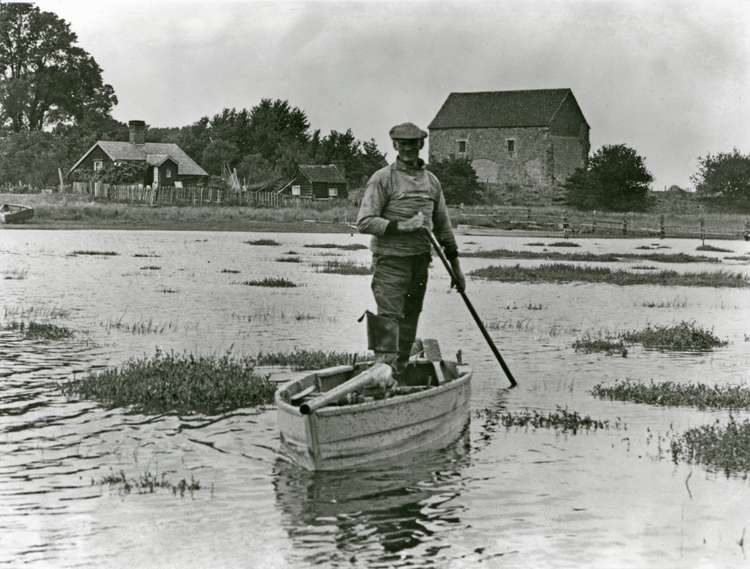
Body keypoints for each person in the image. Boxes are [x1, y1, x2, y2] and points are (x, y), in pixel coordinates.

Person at [356, 122, 465, 374]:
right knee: (389, 319)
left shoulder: (432, 182)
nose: (407, 149)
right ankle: (383, 372)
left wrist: (457, 269)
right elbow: (364, 221)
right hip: (390, 261)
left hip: (420, 261)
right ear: (395, 145)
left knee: (410, 318)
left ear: (421, 145)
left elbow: (444, 228)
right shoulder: (382, 178)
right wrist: (403, 226)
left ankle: (400, 373)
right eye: (402, 144)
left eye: (413, 144)